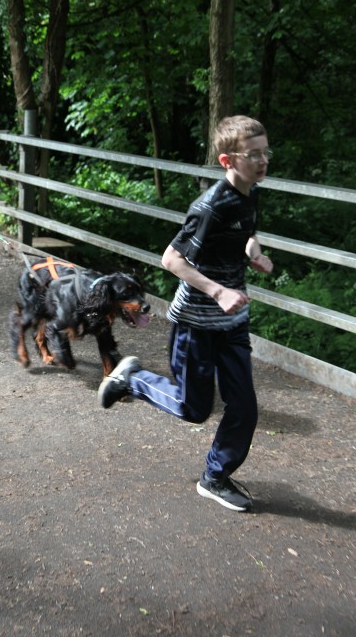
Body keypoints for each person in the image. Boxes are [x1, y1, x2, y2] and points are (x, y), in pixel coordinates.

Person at [99, 115, 274, 512]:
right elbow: (171, 259)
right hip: (196, 323)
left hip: (232, 323)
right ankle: (132, 379)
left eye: (266, 152)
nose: (263, 161)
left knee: (245, 408)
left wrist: (255, 253)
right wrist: (218, 291)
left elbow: (247, 233)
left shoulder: (251, 192)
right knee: (193, 409)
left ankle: (215, 477)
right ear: (228, 161)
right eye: (253, 154)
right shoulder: (210, 206)